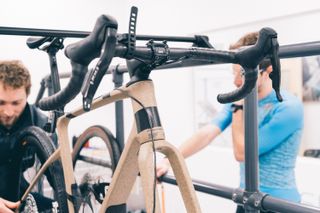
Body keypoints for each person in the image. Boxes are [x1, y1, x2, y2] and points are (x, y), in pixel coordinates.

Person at [156, 32, 304, 213]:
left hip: (277, 204)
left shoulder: (288, 107)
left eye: (242, 73)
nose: (235, 82)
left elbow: (242, 152)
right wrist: (168, 160)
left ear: (267, 73)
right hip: (246, 198)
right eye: (234, 73)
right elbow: (207, 133)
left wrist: (238, 108)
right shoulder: (241, 99)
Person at [0, 60, 56, 212]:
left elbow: (56, 175)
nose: (8, 112)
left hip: (18, 194)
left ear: (27, 96)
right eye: (1, 103)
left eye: (16, 103)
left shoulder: (40, 123)